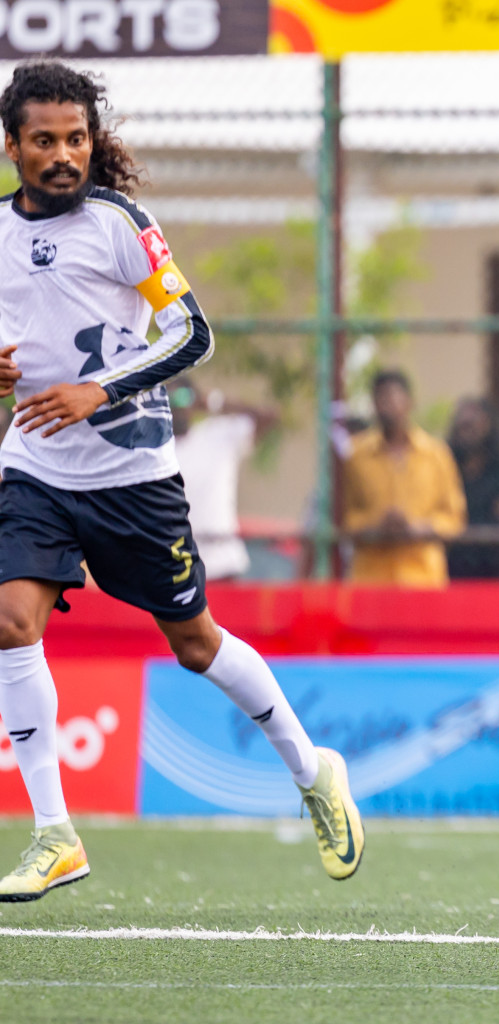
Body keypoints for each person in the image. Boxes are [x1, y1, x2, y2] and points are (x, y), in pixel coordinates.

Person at [0, 61, 363, 901]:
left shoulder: (122, 224)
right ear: (13, 145)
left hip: (133, 475)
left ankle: (313, 771)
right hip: (35, 466)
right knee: (12, 621)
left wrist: (102, 389)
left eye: (76, 139)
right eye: (45, 141)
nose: (63, 155)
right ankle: (55, 833)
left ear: (93, 141)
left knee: (194, 643)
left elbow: (193, 334)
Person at [341, 370, 466, 587]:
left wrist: (416, 528)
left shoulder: (435, 455)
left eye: (393, 397)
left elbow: (454, 518)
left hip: (422, 577)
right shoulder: (356, 455)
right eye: (380, 398)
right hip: (370, 579)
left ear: (409, 402)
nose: (386, 405)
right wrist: (376, 527)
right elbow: (344, 516)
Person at [171, 383, 278, 582]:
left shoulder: (215, 435)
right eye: (169, 399)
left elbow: (268, 415)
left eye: (183, 397)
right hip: (179, 572)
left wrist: (214, 401)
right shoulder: (154, 451)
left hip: (223, 567)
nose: (177, 406)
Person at [447, 396, 499, 580]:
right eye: (463, 426)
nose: (467, 432)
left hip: (494, 570)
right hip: (453, 567)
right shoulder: (447, 468)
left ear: (488, 426)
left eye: (472, 425)